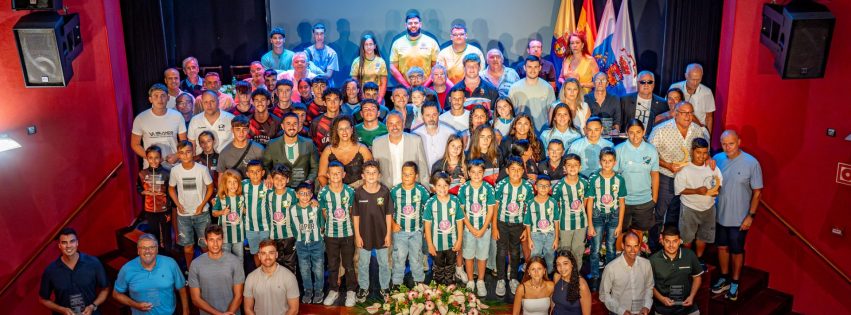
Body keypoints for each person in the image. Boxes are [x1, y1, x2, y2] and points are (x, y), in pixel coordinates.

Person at [648, 102, 710, 251]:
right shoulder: (661, 130)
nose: (688, 116)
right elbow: (650, 155)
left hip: (687, 180)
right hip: (665, 177)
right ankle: (654, 248)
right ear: (676, 113)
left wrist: (709, 159)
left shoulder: (697, 130)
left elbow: (702, 152)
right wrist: (667, 165)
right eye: (684, 113)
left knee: (676, 215)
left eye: (690, 113)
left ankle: (670, 248)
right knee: (659, 213)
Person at [711, 130, 763, 301]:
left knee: (736, 250)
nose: (727, 147)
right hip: (719, 215)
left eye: (731, 143)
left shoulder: (751, 163)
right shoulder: (717, 159)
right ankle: (724, 278)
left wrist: (751, 216)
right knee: (721, 247)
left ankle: (734, 282)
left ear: (739, 142)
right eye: (724, 143)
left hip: (740, 219)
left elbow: (757, 193)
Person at [113, 234, 188, 315]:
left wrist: (186, 312)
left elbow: (181, 288)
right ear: (138, 251)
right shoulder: (127, 269)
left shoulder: (170, 263)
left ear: (157, 250)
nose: (147, 251)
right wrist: (136, 305)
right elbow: (116, 294)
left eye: (151, 247)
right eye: (143, 248)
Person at [39, 228, 109, 315]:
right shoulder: (50, 271)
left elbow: (105, 289)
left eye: (72, 241)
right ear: (59, 245)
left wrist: (93, 306)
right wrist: (62, 310)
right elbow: (43, 299)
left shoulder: (94, 263)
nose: (68, 246)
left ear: (77, 243)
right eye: (64, 242)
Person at [168, 141, 214, 269]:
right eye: (181, 153)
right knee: (188, 247)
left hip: (202, 213)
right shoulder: (175, 170)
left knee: (205, 244)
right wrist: (177, 204)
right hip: (183, 215)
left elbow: (210, 187)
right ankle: (190, 270)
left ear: (193, 152)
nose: (185, 155)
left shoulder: (202, 169)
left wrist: (202, 205)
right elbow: (171, 188)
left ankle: (208, 269)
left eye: (188, 152)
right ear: (178, 154)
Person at [675, 137, 722, 261]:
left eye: (705, 153)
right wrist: (696, 191)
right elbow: (679, 189)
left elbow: (719, 183)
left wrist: (716, 191)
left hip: (709, 208)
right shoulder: (685, 169)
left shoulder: (712, 167)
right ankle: (686, 262)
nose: (702, 156)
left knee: (703, 237)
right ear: (692, 151)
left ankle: (699, 261)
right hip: (689, 208)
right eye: (698, 152)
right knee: (687, 239)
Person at [615, 119, 660, 249]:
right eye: (631, 133)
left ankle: (636, 257)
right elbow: (613, 176)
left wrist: (654, 199)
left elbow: (655, 175)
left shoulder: (651, 150)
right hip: (623, 201)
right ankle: (619, 259)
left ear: (644, 132)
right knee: (620, 232)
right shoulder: (619, 150)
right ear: (626, 133)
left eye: (638, 132)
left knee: (638, 231)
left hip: (644, 201)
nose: (635, 136)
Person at [494, 156, 535, 296]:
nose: (516, 173)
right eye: (513, 170)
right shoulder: (501, 185)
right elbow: (495, 206)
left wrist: (525, 228)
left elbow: (529, 209)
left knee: (515, 251)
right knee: (501, 251)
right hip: (502, 223)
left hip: (518, 224)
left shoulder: (527, 186)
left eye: (519, 170)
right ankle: (500, 279)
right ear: (507, 171)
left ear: (523, 171)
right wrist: (494, 227)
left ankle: (513, 278)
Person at [586, 147, 627, 288]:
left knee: (611, 246)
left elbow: (622, 203)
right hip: (597, 215)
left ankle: (610, 275)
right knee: (595, 247)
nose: (607, 163)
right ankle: (595, 275)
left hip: (614, 216)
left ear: (615, 162)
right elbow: (590, 201)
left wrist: (620, 225)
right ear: (600, 162)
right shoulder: (594, 178)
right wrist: (590, 224)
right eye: (604, 161)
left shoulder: (619, 179)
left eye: (610, 161)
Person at [352, 161, 394, 299]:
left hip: (382, 234)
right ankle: (364, 287)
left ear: (379, 175)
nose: (371, 175)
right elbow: (356, 216)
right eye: (368, 173)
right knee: (363, 263)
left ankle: (385, 287)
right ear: (363, 175)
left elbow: (389, 215)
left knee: (384, 263)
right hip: (365, 235)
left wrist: (388, 234)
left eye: (374, 172)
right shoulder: (358, 193)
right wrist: (357, 236)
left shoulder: (384, 191)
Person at [318, 162, 358, 303]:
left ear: (344, 174)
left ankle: (351, 290)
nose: (335, 175)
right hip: (331, 235)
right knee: (333, 264)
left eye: (338, 172)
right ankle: (334, 290)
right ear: (327, 175)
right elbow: (323, 213)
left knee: (348, 263)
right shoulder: (323, 192)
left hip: (347, 233)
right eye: (332, 173)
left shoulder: (350, 191)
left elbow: (353, 213)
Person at [390, 161, 431, 289]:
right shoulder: (395, 191)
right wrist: (393, 224)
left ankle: (418, 281)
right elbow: (387, 211)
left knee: (416, 257)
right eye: (404, 174)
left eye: (410, 174)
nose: (407, 177)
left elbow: (428, 210)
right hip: (400, 231)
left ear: (416, 176)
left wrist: (424, 228)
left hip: (416, 231)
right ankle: (397, 283)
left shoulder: (421, 191)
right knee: (399, 257)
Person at [188, 225, 245, 315]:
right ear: (206, 241)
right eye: (211, 240)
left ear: (222, 240)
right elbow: (195, 299)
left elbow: (239, 296)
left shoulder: (235, 262)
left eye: (218, 239)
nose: (215, 244)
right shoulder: (195, 264)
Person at [458, 159, 495, 296]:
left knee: (482, 256)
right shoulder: (464, 189)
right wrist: (471, 228)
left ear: (484, 172)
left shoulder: (488, 188)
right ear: (468, 172)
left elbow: (490, 211)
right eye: (473, 172)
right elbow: (461, 211)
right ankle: (470, 280)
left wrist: (483, 228)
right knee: (468, 255)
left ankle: (480, 280)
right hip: (469, 229)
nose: (476, 175)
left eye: (480, 172)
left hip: (484, 229)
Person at [649, 224, 703, 315]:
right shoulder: (653, 260)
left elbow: (697, 277)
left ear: (679, 241)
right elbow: (649, 285)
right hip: (663, 309)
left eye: (674, 241)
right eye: (667, 241)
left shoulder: (689, 255)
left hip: (688, 307)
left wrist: (692, 296)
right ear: (662, 241)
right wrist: (662, 299)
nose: (671, 245)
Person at [131, 83, 187, 169]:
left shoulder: (177, 116)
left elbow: (184, 142)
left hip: (174, 165)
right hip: (151, 167)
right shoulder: (141, 118)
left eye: (163, 96)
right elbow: (135, 144)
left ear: (168, 98)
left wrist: (177, 155)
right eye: (155, 96)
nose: (160, 99)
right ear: (150, 99)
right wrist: (151, 158)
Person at [423, 172, 465, 285]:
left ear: (449, 186)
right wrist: (430, 244)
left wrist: (459, 240)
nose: (442, 188)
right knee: (438, 265)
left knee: (451, 264)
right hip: (436, 244)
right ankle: (439, 285)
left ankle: (449, 283)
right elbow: (427, 225)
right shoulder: (430, 203)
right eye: (439, 185)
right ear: (434, 187)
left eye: (445, 185)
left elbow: (460, 222)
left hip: (452, 242)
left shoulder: (455, 201)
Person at [599, 232, 653, 315]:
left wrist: (646, 306)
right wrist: (621, 311)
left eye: (635, 246)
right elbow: (603, 295)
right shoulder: (611, 268)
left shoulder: (646, 264)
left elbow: (649, 287)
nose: (633, 250)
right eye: (629, 246)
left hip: (640, 312)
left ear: (639, 246)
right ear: (623, 246)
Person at [552, 154, 591, 271]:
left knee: (578, 251)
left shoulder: (584, 183)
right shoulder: (559, 186)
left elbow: (586, 201)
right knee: (564, 251)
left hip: (581, 224)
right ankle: (563, 275)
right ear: (564, 167)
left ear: (580, 167)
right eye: (569, 165)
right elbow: (555, 205)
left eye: (575, 165)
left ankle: (575, 275)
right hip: (565, 224)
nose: (572, 168)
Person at [372, 111, 430, 187]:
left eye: (397, 123)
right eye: (391, 124)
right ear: (386, 125)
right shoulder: (377, 143)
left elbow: (423, 169)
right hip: (387, 190)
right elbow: (375, 169)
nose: (394, 127)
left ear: (403, 124)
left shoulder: (416, 140)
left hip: (412, 189)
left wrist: (425, 190)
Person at [290, 182, 326, 304]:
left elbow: (321, 223)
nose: (305, 197)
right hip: (301, 244)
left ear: (311, 195)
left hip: (316, 242)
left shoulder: (315, 206)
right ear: (297, 195)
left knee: (318, 268)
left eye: (307, 194)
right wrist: (298, 238)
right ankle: (308, 290)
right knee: (304, 268)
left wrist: (320, 234)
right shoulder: (293, 209)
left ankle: (319, 290)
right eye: (302, 194)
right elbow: (293, 226)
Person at [243, 239, 300, 315]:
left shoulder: (289, 277)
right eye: (263, 253)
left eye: (271, 253)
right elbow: (247, 308)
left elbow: (294, 309)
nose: (267, 257)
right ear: (259, 256)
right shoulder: (251, 278)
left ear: (276, 255)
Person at [263, 112, 319, 187]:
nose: (292, 127)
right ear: (283, 126)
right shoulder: (272, 144)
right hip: (280, 189)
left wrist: (308, 181)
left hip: (302, 190)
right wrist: (269, 175)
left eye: (295, 124)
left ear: (299, 126)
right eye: (288, 124)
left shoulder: (309, 143)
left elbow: (315, 167)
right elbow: (265, 165)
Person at [317, 115, 373, 188]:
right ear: (336, 131)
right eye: (341, 129)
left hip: (358, 189)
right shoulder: (328, 150)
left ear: (352, 129)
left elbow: (370, 173)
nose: (344, 132)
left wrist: (362, 192)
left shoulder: (362, 149)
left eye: (347, 128)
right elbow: (322, 175)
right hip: (333, 188)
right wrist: (329, 191)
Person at [390, 10, 440, 88]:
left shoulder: (431, 42)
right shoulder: (397, 43)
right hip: (405, 89)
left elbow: (436, 68)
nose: (413, 25)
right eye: (410, 23)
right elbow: (393, 69)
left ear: (420, 24)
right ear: (405, 25)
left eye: (416, 23)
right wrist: (407, 86)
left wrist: (424, 86)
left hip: (426, 88)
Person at [509, 55, 557, 130]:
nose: (533, 70)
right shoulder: (515, 88)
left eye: (536, 67)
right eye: (529, 67)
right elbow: (510, 112)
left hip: (541, 131)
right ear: (524, 68)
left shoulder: (548, 88)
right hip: (520, 132)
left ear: (540, 68)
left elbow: (552, 112)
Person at [524, 174, 560, 273]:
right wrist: (530, 239)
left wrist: (556, 238)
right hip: (535, 235)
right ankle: (534, 276)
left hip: (550, 234)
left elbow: (556, 221)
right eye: (541, 185)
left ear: (550, 187)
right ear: (535, 187)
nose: (544, 188)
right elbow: (527, 223)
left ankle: (549, 276)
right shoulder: (530, 203)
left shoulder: (553, 202)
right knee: (535, 256)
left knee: (550, 256)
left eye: (546, 185)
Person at [138, 146, 173, 248]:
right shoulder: (142, 173)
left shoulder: (167, 173)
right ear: (147, 158)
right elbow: (138, 187)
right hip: (149, 210)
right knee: (154, 233)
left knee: (166, 233)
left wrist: (169, 206)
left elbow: (171, 191)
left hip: (164, 209)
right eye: (150, 158)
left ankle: (168, 254)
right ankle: (156, 253)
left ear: (161, 158)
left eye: (156, 157)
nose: (154, 160)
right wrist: (145, 192)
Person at [266, 165, 298, 272]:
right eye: (277, 178)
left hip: (290, 235)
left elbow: (303, 202)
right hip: (275, 236)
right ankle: (278, 287)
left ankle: (290, 286)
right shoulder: (269, 195)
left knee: (290, 263)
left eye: (283, 178)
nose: (279, 181)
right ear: (272, 179)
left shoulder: (292, 193)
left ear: (288, 179)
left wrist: (313, 201)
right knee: (277, 263)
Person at [240, 160, 271, 267]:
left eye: (258, 171)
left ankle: (268, 272)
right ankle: (259, 272)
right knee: (255, 252)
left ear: (263, 173)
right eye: (252, 172)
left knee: (266, 251)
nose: (255, 174)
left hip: (266, 226)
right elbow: (229, 190)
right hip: (250, 227)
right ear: (247, 174)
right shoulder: (242, 185)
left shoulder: (268, 185)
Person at [669, 63, 715, 134]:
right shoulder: (675, 87)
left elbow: (709, 117)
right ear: (686, 76)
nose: (695, 83)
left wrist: (708, 136)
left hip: (698, 131)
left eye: (698, 79)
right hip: (677, 130)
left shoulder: (707, 92)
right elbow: (668, 109)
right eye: (693, 79)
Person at [211, 169, 246, 262]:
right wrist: (222, 212)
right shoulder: (221, 197)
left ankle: (239, 276)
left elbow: (245, 210)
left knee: (239, 259)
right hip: (225, 234)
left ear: (239, 184)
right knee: (225, 259)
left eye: (235, 182)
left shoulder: (241, 197)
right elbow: (214, 213)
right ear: (225, 184)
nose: (233, 185)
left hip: (239, 235)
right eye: (229, 182)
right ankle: (227, 276)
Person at [413, 101, 457, 172]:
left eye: (434, 114)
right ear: (422, 116)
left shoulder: (450, 133)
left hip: (446, 177)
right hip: (424, 178)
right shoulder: (415, 134)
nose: (431, 118)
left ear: (439, 114)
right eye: (428, 115)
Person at [189, 90, 235, 154]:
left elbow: (236, 143)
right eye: (206, 102)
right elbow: (192, 145)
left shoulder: (231, 119)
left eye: (212, 101)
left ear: (218, 102)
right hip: (201, 162)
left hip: (225, 162)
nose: (209, 105)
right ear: (202, 103)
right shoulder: (195, 120)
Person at [552, 250, 592, 315]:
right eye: (558, 264)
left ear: (572, 264)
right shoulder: (557, 276)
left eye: (565, 263)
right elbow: (554, 300)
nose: (562, 268)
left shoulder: (582, 285)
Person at [351, 34, 388, 101]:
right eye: (366, 44)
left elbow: (383, 83)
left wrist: (379, 99)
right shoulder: (356, 62)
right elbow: (354, 83)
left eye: (371, 44)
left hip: (377, 97)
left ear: (375, 46)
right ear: (363, 47)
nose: (368, 47)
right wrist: (362, 98)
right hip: (362, 97)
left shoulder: (381, 61)